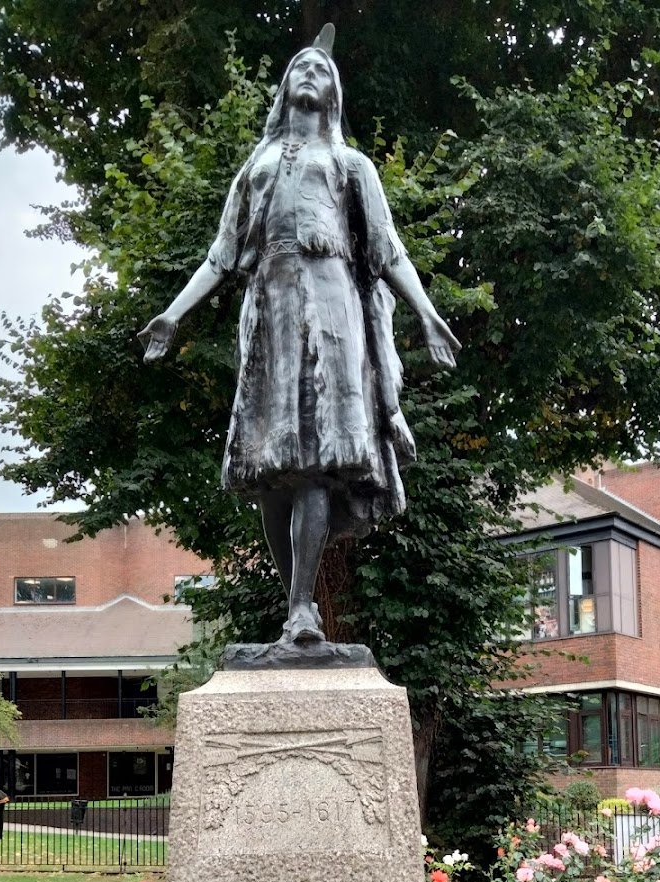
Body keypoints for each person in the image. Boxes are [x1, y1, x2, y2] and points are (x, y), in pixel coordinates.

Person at [138, 26, 460, 644]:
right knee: (270, 466)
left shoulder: (350, 165)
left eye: (322, 69)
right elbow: (220, 255)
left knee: (315, 461)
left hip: (333, 307)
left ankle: (303, 609)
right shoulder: (257, 166)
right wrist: (173, 315)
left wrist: (425, 312)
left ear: (334, 93)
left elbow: (388, 253)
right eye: (300, 66)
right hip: (270, 310)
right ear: (284, 87)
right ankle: (294, 604)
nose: (311, 73)